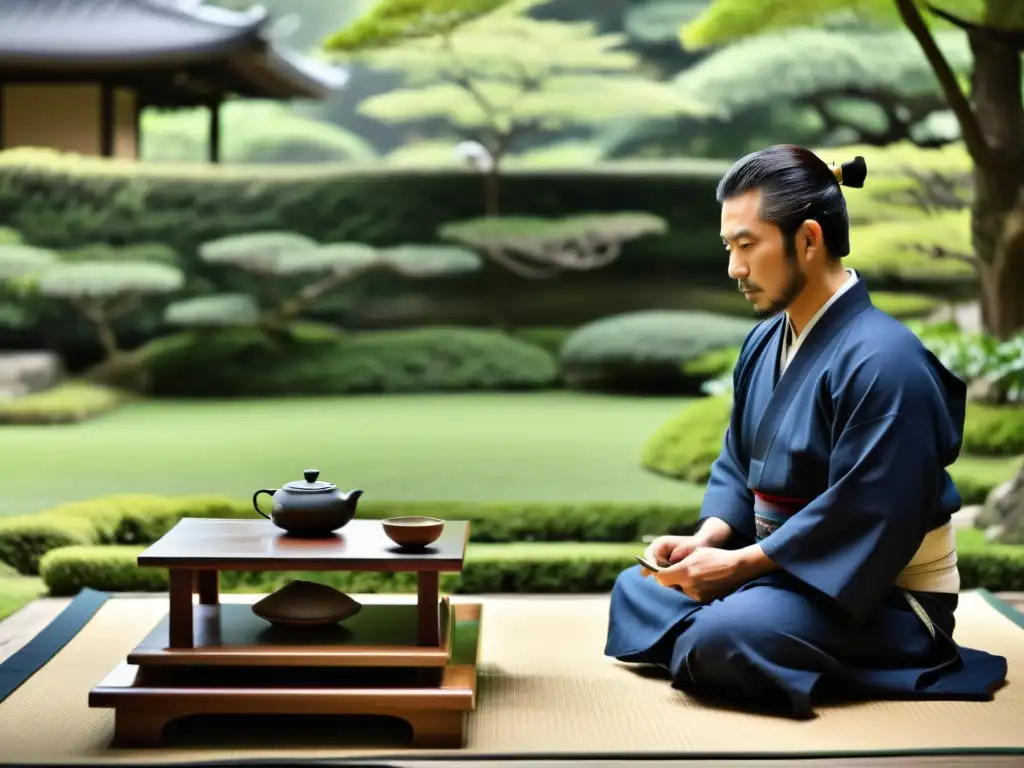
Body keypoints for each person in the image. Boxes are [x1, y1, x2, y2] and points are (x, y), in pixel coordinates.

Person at [603, 144, 1009, 719]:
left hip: (878, 597)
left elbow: (868, 509)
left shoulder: (886, 360)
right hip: (781, 571)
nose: (733, 268)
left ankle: (734, 633)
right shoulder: (765, 340)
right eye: (729, 248)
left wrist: (742, 566)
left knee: (721, 639)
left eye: (746, 245)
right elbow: (739, 461)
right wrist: (711, 540)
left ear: (809, 240)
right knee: (638, 588)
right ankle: (743, 628)